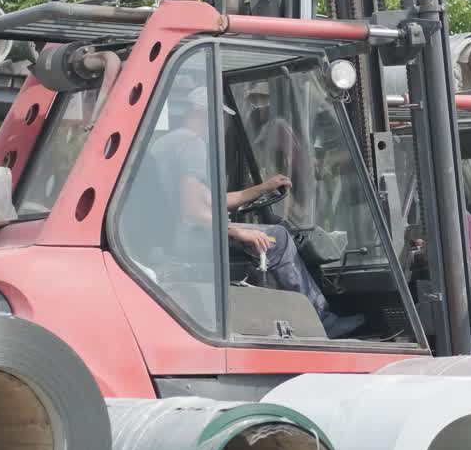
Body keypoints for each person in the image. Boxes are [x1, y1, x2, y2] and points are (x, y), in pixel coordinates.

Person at [152, 86, 365, 339]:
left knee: (272, 236)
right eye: (218, 117)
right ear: (201, 112)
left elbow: (210, 201)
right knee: (280, 238)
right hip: (194, 237)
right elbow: (193, 210)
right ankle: (323, 320)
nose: (220, 124)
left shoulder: (166, 143)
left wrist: (262, 188)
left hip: (179, 236)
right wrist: (237, 230)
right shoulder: (193, 145)